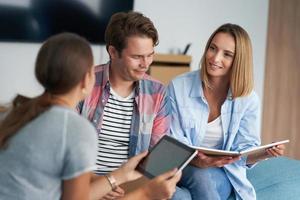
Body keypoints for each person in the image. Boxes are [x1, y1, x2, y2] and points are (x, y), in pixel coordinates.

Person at [0, 32, 181, 200]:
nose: (145, 63)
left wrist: (121, 175)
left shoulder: (14, 112)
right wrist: (147, 194)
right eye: (136, 56)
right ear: (87, 78)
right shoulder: (75, 129)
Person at [168, 23, 285, 200]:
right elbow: (172, 139)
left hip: (221, 174)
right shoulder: (179, 86)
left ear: (239, 61)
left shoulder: (248, 99)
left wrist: (264, 153)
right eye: (212, 48)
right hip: (182, 167)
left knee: (180, 196)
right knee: (193, 179)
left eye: (227, 54)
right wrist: (197, 161)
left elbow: (244, 151)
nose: (215, 58)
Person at [78, 11, 172, 199]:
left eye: (150, 55)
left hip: (131, 189)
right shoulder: (84, 82)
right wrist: (101, 183)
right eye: (137, 57)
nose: (145, 64)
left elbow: (156, 160)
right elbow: (65, 152)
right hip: (85, 184)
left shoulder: (158, 93)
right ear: (113, 52)